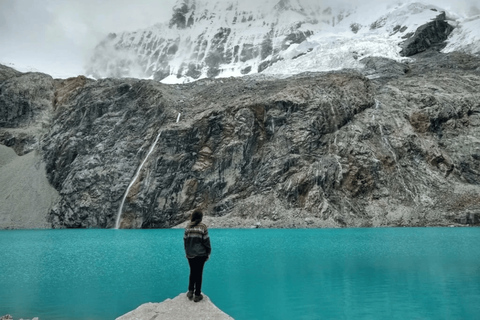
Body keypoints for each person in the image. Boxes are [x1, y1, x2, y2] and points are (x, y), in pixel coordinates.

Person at [184, 209, 211, 302]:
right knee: (199, 273)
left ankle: (190, 291)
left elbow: (185, 241)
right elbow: (206, 241)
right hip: (200, 254)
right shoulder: (203, 227)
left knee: (192, 272)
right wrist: (208, 252)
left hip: (190, 254)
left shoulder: (188, 227)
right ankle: (197, 294)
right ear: (200, 217)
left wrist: (187, 252)